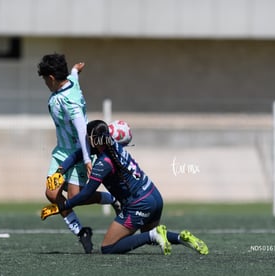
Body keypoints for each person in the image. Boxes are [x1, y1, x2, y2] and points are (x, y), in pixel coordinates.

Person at [41, 120, 209, 255]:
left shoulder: (103, 163)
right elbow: (78, 154)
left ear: (94, 140)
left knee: (108, 247)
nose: (84, 142)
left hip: (139, 203)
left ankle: (155, 234)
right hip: (154, 195)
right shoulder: (112, 144)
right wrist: (60, 171)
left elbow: (86, 194)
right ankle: (181, 237)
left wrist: (61, 207)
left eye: (87, 138)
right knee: (148, 235)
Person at [37, 54, 117, 253]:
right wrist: (75, 70)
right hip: (60, 153)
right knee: (52, 193)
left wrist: (87, 158)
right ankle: (81, 232)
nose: (45, 83)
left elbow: (82, 130)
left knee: (76, 195)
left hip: (77, 153)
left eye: (45, 79)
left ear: (52, 78)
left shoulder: (69, 102)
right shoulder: (70, 82)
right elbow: (74, 77)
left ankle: (113, 199)